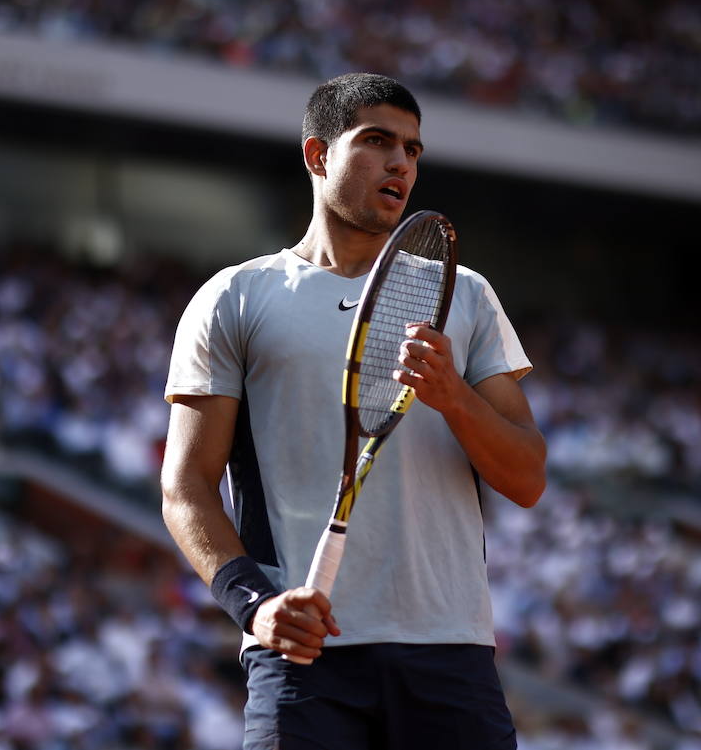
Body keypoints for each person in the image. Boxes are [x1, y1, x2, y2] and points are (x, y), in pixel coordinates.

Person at [160, 72, 546, 749]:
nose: (402, 162)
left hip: (450, 654)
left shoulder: (467, 295)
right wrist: (256, 606)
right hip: (305, 660)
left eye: (414, 149)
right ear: (317, 154)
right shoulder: (235, 297)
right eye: (377, 141)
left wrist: (453, 396)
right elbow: (186, 485)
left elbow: (527, 477)